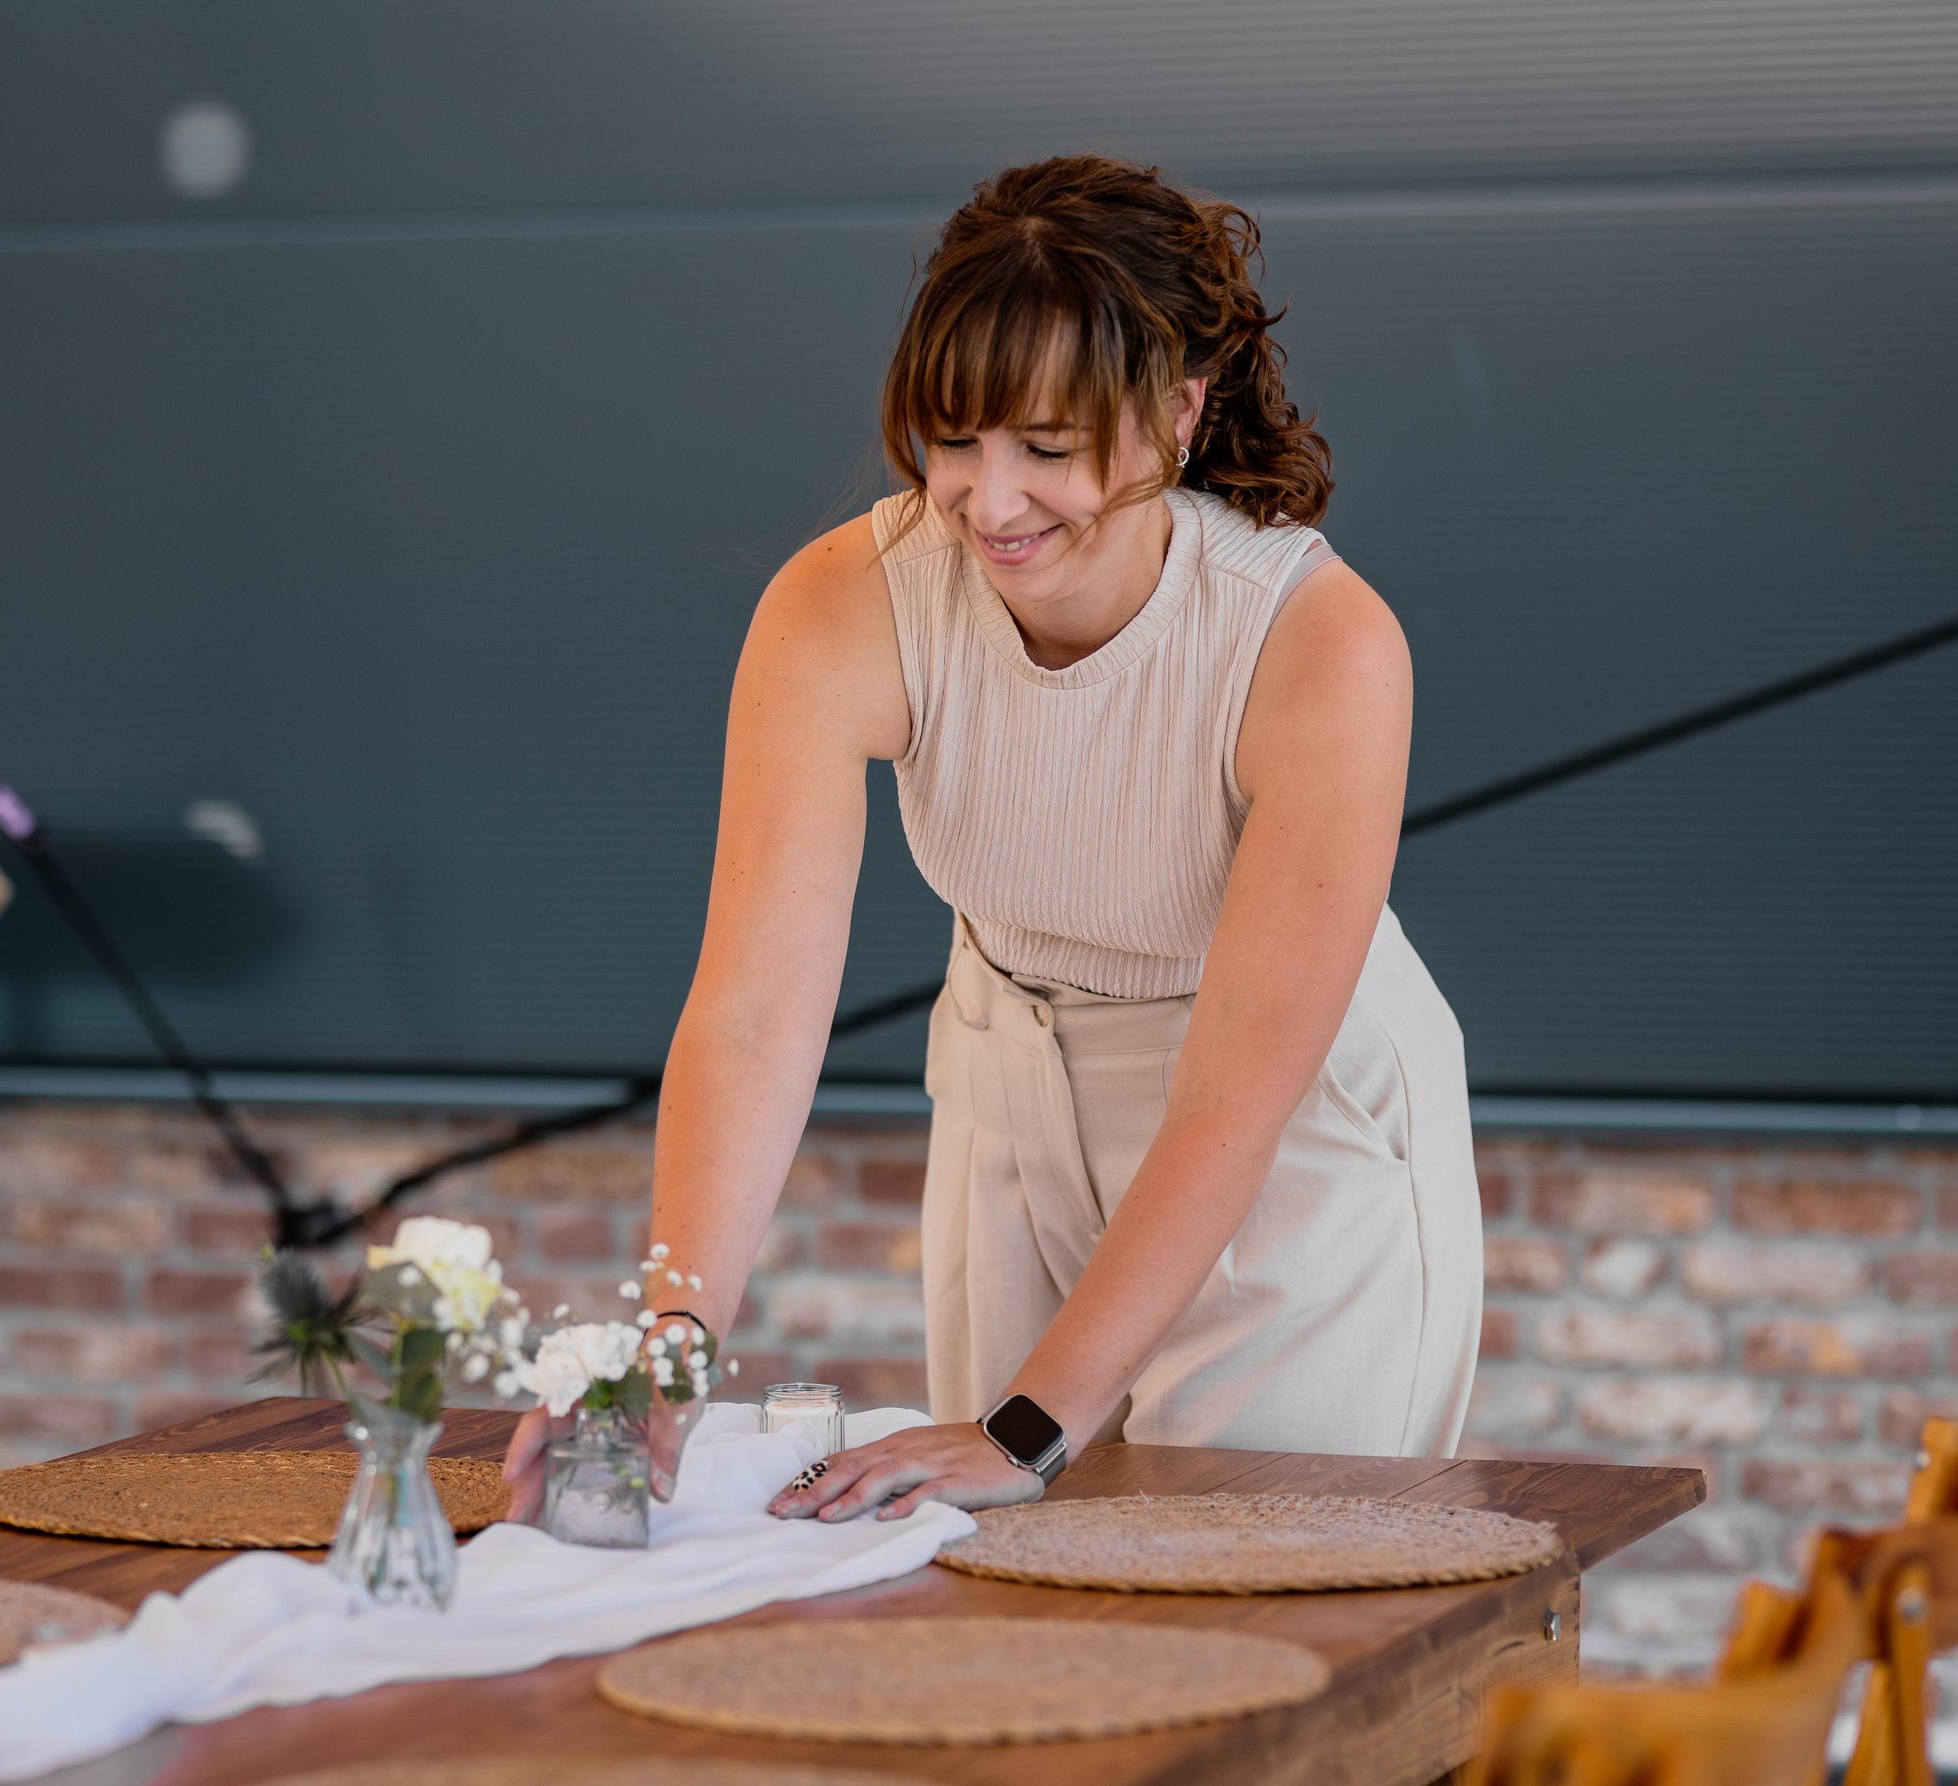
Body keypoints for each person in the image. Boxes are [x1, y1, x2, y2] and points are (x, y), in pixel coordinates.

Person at [506, 153, 1481, 1528]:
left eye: (1048, 446)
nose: (991, 502)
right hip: (1006, 1090)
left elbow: (1234, 1100)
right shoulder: (847, 603)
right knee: (1007, 1605)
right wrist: (669, 1353)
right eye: (955, 441)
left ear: (1179, 414)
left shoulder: (1316, 647)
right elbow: (754, 1014)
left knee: (1256, 1591)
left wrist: (1034, 1421)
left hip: (1289, 1134)